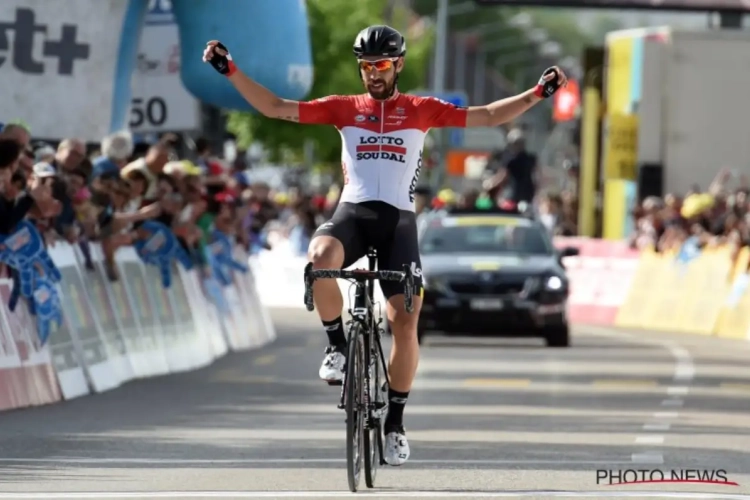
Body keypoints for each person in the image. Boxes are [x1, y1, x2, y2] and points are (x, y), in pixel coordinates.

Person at [203, 25, 567, 466]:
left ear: (397, 65)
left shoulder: (421, 109)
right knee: (319, 259)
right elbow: (275, 107)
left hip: (398, 225)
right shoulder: (343, 108)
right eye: (365, 67)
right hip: (353, 215)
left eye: (379, 65)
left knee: (404, 323)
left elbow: (488, 115)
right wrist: (230, 70)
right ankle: (337, 345)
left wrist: (537, 93)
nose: (372, 74)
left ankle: (394, 422)